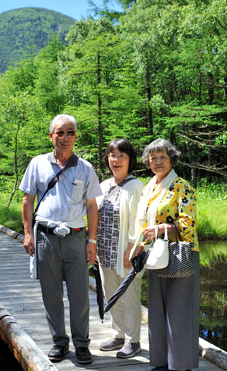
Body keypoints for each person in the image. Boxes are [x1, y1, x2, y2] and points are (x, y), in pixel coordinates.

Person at [20, 114, 101, 365]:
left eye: (70, 133)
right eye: (60, 133)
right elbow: (27, 200)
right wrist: (27, 233)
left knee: (80, 294)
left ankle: (81, 344)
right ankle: (59, 342)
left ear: (76, 137)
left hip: (77, 239)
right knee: (51, 294)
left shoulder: (85, 168)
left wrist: (92, 241)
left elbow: (91, 207)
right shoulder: (37, 163)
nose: (65, 138)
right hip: (45, 237)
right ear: (51, 136)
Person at [132, 138, 199, 371]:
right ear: (147, 161)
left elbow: (188, 224)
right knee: (157, 312)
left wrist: (160, 229)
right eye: (153, 158)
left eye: (162, 157)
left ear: (172, 159)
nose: (157, 162)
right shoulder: (150, 186)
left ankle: (179, 365)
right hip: (156, 255)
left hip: (179, 254)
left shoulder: (182, 186)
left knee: (179, 312)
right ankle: (160, 363)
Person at [95, 139, 145, 358]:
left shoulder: (135, 186)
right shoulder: (104, 185)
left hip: (126, 254)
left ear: (129, 159)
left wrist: (132, 248)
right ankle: (118, 335)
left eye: (121, 155)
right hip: (104, 253)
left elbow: (139, 220)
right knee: (112, 295)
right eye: (112, 155)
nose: (116, 160)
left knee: (130, 296)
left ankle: (133, 340)